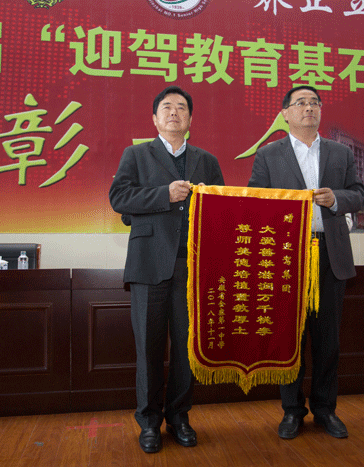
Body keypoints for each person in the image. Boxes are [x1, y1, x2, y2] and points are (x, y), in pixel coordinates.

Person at [109, 86, 224, 453]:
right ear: (155, 119)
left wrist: (208, 200)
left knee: (187, 348)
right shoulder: (136, 154)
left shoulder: (206, 160)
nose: (175, 112)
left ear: (190, 119)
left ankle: (179, 417)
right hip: (148, 264)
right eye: (167, 107)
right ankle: (149, 422)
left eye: (182, 108)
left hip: (193, 266)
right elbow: (119, 198)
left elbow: (221, 208)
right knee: (149, 347)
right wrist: (164, 194)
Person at [248, 85, 364, 440]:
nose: (309, 107)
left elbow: (358, 194)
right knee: (290, 338)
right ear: (285, 113)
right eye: (300, 103)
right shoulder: (269, 155)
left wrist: (336, 199)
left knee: (328, 340)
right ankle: (292, 410)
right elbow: (255, 201)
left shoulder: (340, 153)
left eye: (314, 102)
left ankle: (326, 410)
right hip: (288, 255)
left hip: (330, 254)